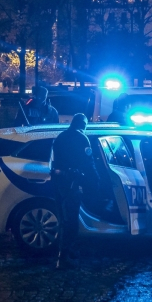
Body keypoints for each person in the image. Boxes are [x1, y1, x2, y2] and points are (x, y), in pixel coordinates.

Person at [50, 113, 100, 269]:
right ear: (83, 124)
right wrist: (96, 180)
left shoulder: (60, 136)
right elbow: (89, 162)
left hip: (59, 183)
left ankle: (63, 253)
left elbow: (55, 160)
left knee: (63, 219)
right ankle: (65, 256)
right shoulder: (82, 138)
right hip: (72, 183)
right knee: (71, 221)